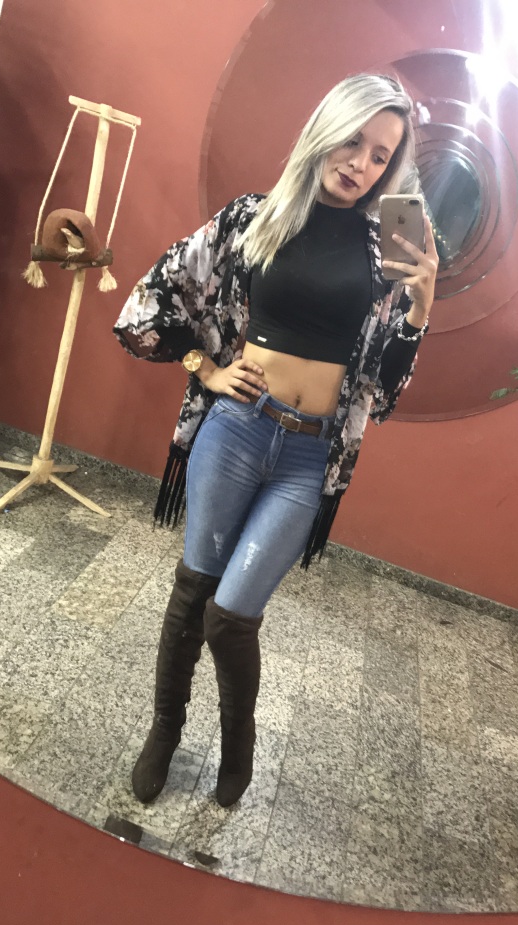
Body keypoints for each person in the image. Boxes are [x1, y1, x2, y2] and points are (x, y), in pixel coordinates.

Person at [113, 73, 438, 808]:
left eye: (381, 156)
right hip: (235, 430)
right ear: (326, 130)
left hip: (308, 455)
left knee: (232, 614)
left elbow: (383, 392)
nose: (362, 163)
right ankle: (164, 732)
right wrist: (206, 369)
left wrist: (419, 312)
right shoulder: (254, 219)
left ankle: (239, 744)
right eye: (354, 141)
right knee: (193, 590)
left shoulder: (384, 252)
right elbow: (148, 302)